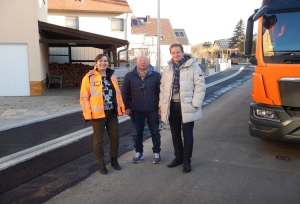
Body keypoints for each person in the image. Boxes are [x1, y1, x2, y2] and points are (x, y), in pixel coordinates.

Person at [158, 44, 206, 173]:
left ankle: (187, 161)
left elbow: (200, 86)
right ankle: (178, 157)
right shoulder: (168, 68)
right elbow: (162, 87)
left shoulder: (193, 66)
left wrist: (195, 103)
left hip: (187, 105)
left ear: (183, 52)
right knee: (175, 134)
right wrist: (161, 105)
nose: (176, 55)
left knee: (188, 135)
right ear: (171, 54)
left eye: (178, 52)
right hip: (172, 106)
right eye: (173, 53)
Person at [80, 54, 125, 175]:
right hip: (98, 114)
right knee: (99, 140)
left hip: (112, 112)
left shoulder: (112, 75)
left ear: (108, 63)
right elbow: (84, 97)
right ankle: (101, 164)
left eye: (105, 61)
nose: (103, 63)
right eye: (100, 61)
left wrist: (121, 108)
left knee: (115, 137)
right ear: (95, 63)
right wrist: (88, 114)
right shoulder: (89, 77)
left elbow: (117, 94)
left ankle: (114, 160)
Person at [122, 54, 162, 164]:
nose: (143, 62)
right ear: (136, 62)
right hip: (136, 110)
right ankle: (139, 152)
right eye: (140, 60)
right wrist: (127, 107)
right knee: (137, 133)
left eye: (145, 60)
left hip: (152, 110)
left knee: (155, 132)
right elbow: (125, 93)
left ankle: (156, 153)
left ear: (149, 62)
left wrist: (160, 107)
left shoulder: (156, 75)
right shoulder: (129, 76)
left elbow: (161, 93)